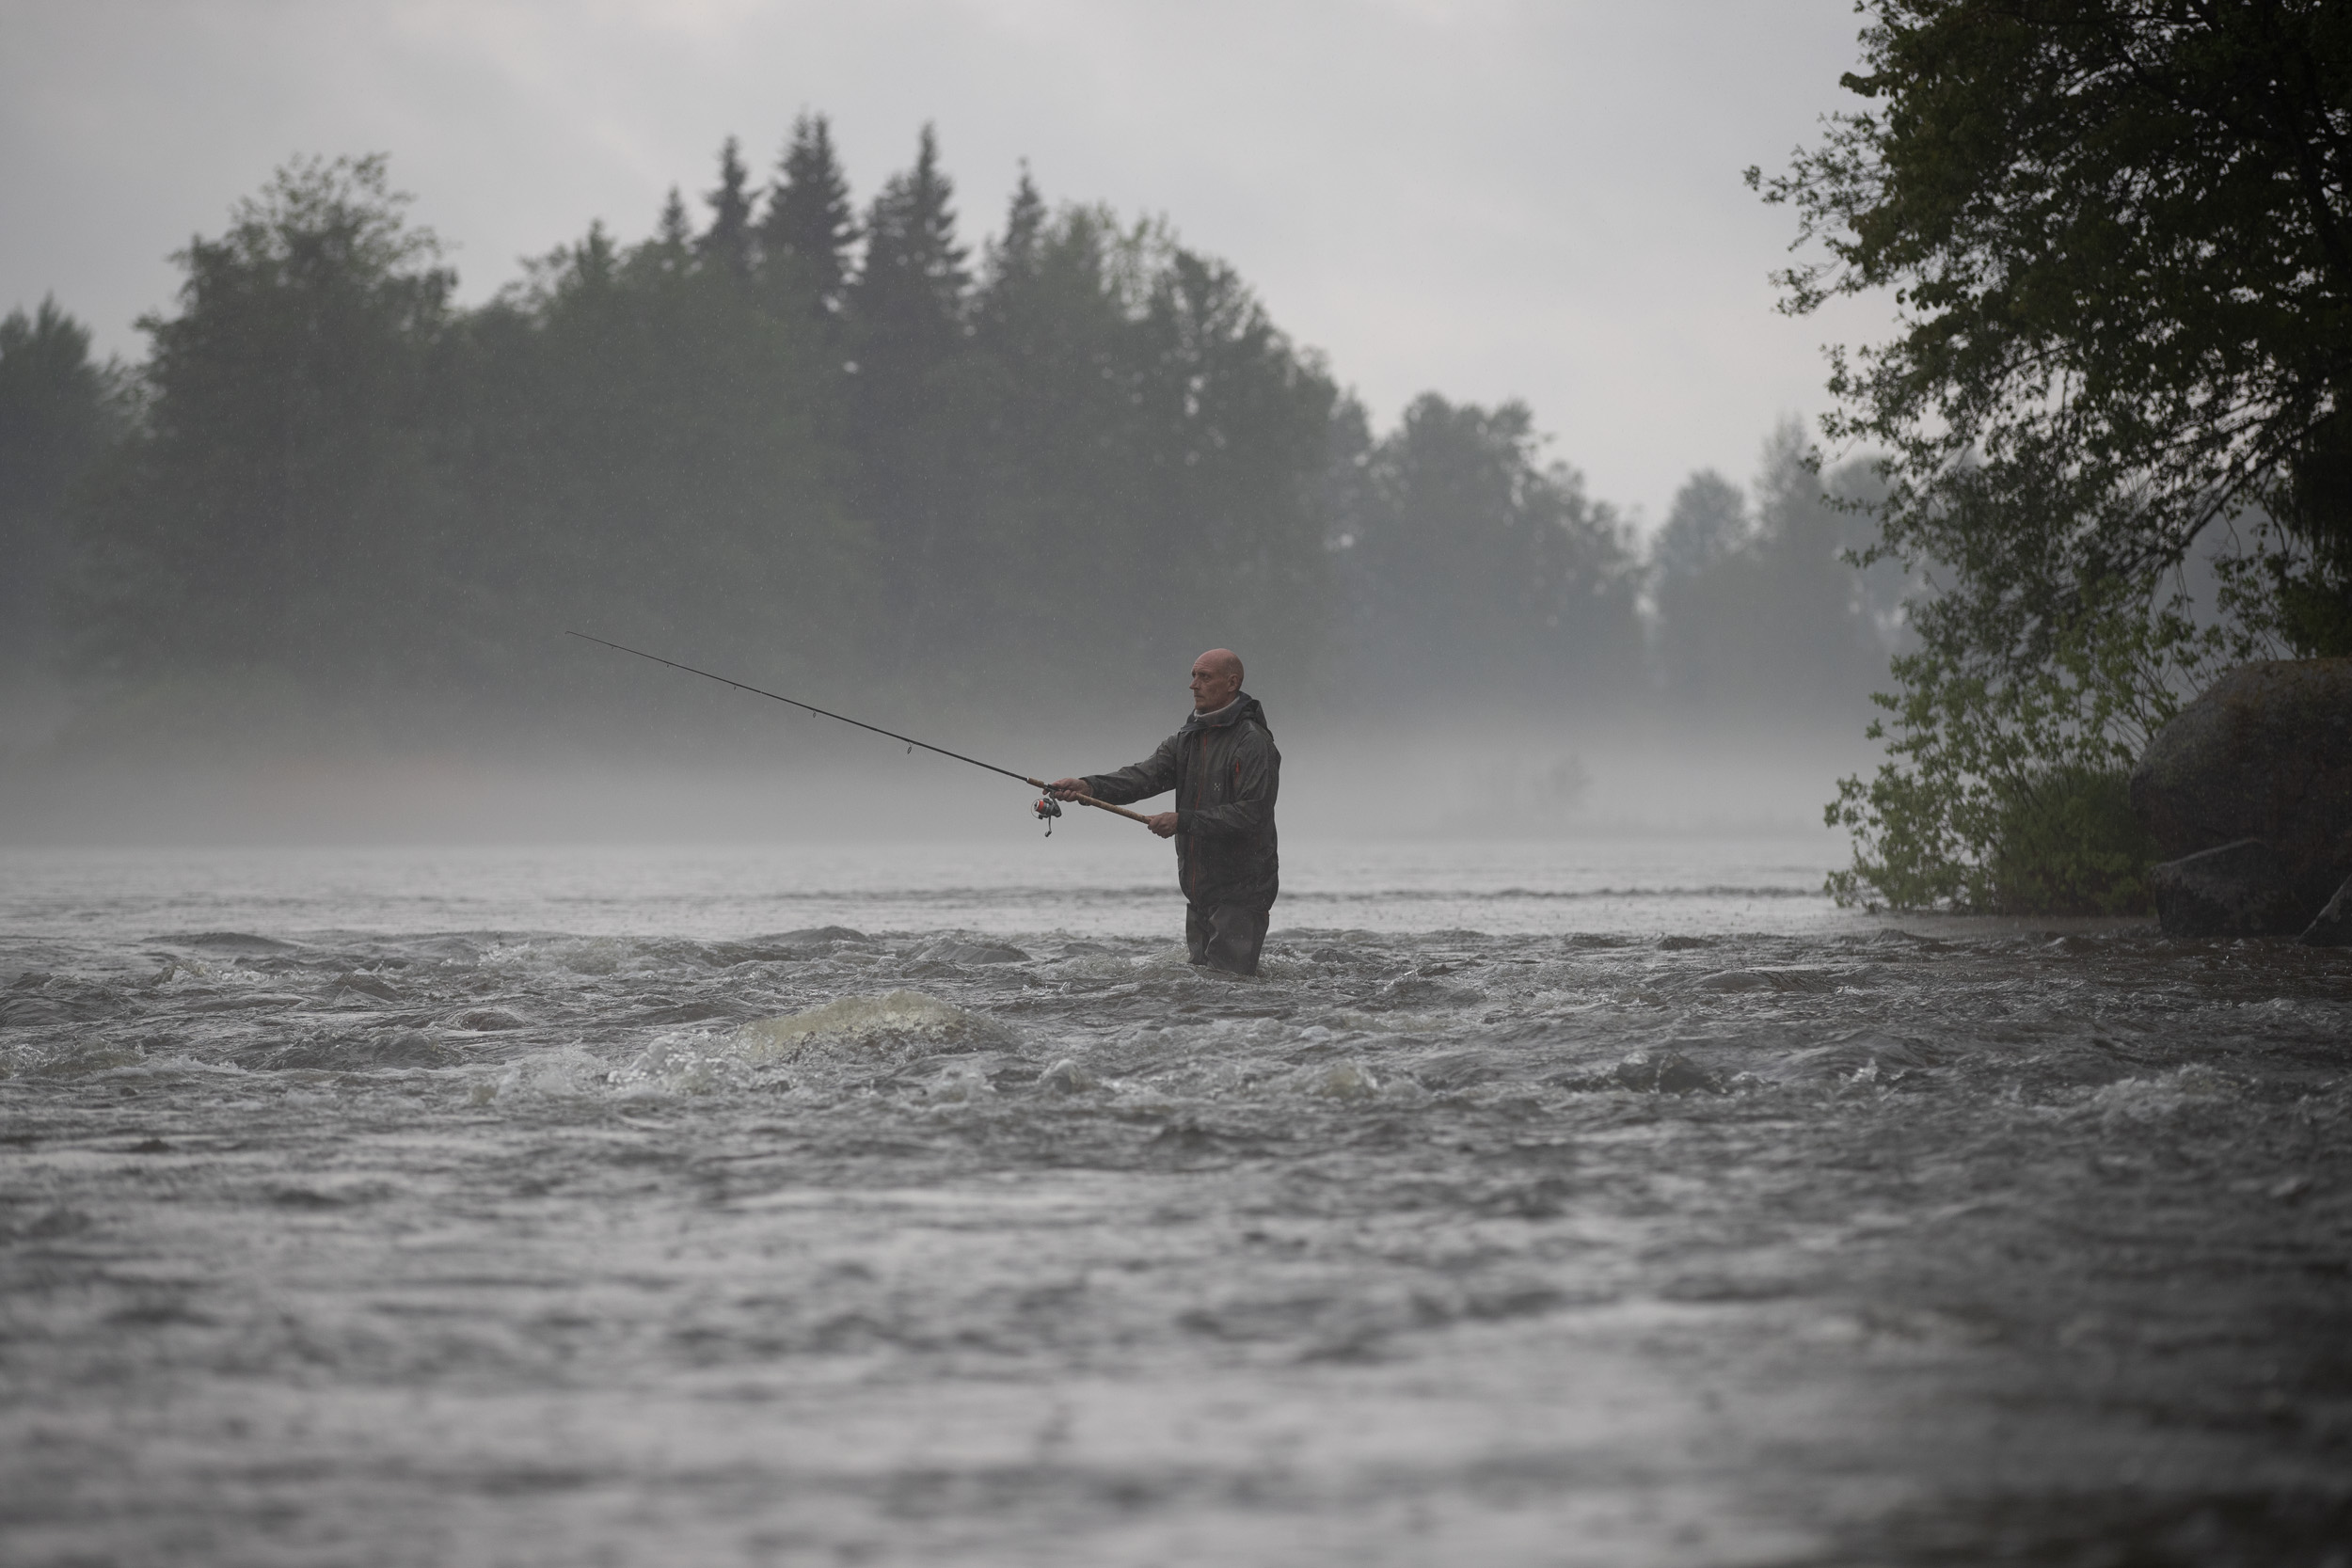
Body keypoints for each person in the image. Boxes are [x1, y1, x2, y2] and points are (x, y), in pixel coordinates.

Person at [1049, 648, 1280, 976]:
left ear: (1232, 683)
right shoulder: (1188, 738)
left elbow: (1252, 814)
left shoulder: (1253, 742)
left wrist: (1182, 821)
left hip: (1243, 890)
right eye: (1193, 676)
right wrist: (1089, 787)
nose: (1193, 685)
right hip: (1200, 888)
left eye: (1204, 677)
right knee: (1204, 985)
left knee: (1228, 989)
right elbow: (1143, 777)